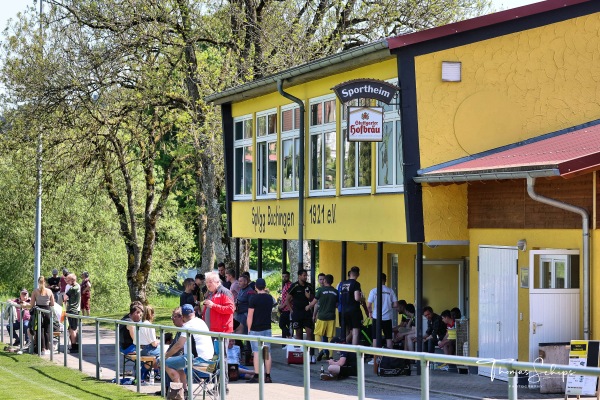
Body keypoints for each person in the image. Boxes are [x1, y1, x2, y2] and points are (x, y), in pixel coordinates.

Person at [165, 304, 214, 396]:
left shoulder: (187, 326)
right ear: (194, 313)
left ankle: (178, 392)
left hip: (197, 361)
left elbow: (178, 345)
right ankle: (185, 390)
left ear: (182, 316)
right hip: (210, 361)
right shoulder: (200, 321)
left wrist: (166, 356)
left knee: (165, 363)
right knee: (177, 365)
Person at [246, 278, 275, 383]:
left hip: (255, 329)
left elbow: (250, 316)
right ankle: (268, 375)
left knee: (257, 352)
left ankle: (257, 375)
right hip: (267, 328)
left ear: (255, 287)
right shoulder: (269, 298)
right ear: (265, 286)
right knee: (267, 352)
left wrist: (249, 329)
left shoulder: (253, 298)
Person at [285, 269, 315, 362]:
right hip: (297, 313)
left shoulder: (309, 286)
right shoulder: (294, 286)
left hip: (306, 313)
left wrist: (308, 297)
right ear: (299, 276)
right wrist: (291, 310)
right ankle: (301, 355)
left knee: (309, 332)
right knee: (298, 333)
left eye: (306, 275)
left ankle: (311, 354)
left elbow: (314, 299)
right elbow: (287, 299)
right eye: (303, 275)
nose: (305, 277)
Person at [309, 274, 338, 361]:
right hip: (331, 317)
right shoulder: (335, 291)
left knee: (317, 334)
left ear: (325, 281)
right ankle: (331, 356)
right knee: (330, 337)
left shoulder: (320, 290)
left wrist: (308, 307)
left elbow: (314, 303)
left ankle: (321, 350)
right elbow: (337, 304)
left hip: (321, 316)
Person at [367, 273, 398, 349]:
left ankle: (375, 358)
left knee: (375, 338)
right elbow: (396, 304)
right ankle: (389, 358)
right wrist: (388, 305)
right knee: (388, 338)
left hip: (376, 317)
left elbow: (369, 305)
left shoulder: (373, 291)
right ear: (385, 280)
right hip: (387, 318)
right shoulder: (390, 291)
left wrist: (370, 312)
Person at [31, 276, 55, 355]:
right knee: (47, 330)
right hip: (47, 310)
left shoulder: (35, 291)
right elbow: (52, 303)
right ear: (45, 282)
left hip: (39, 311)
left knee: (39, 330)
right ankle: (47, 348)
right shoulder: (49, 291)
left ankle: (42, 348)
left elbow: (32, 304)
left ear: (38, 282)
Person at [339, 266, 363, 345]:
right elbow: (356, 298)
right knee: (355, 332)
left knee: (348, 331)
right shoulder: (356, 284)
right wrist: (362, 299)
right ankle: (354, 353)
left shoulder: (343, 284)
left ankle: (342, 348)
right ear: (358, 274)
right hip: (353, 310)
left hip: (344, 310)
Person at [139, 305, 160, 377]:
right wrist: (157, 342)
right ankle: (158, 372)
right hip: (148, 349)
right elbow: (154, 343)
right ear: (151, 315)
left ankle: (155, 372)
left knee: (155, 357)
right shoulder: (149, 326)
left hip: (140, 348)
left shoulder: (139, 323)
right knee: (167, 352)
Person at [64, 273, 81, 353]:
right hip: (76, 310)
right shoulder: (78, 286)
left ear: (72, 280)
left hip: (72, 310)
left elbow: (65, 297)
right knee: (74, 328)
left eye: (68, 280)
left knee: (72, 329)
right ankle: (75, 344)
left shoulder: (72, 289)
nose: (67, 282)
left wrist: (65, 300)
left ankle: (74, 346)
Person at [278, 271, 292, 343]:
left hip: (288, 309)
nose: (284, 278)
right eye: (283, 276)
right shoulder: (285, 285)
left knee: (282, 324)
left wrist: (282, 306)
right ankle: (284, 344)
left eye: (286, 276)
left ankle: (289, 336)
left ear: (289, 276)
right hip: (284, 309)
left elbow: (290, 298)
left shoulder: (290, 285)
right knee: (285, 325)